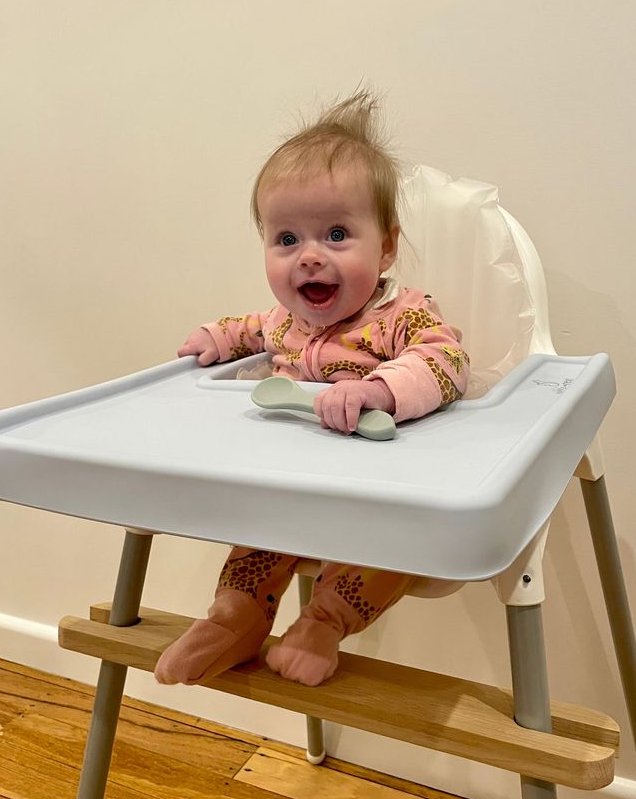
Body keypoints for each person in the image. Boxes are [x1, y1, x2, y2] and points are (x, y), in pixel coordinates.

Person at [155, 89, 469, 687]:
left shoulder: (404, 316)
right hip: (288, 490)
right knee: (256, 542)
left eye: (336, 234)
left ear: (387, 246)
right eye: (287, 240)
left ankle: (323, 623)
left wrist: (382, 389)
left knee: (382, 548)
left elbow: (446, 358)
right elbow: (248, 329)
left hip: (375, 495)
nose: (310, 258)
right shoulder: (286, 324)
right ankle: (235, 619)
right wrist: (215, 339)